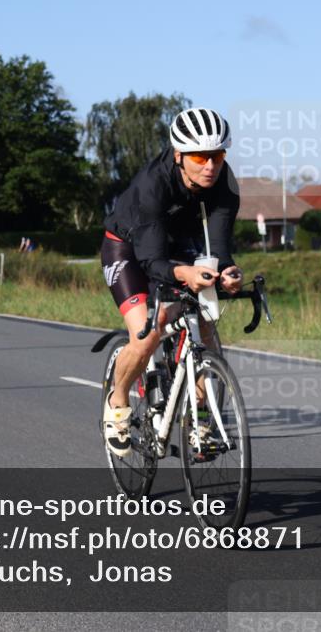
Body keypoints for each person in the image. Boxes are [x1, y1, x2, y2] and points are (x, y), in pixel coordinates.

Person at [100, 107, 243, 457]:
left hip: (178, 245)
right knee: (148, 331)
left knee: (205, 322)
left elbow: (220, 247)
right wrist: (187, 274)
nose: (210, 165)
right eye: (199, 156)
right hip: (129, 248)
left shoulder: (225, 182)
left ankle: (202, 416)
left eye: (218, 155)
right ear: (179, 155)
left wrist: (227, 272)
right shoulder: (154, 184)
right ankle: (117, 401)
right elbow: (152, 262)